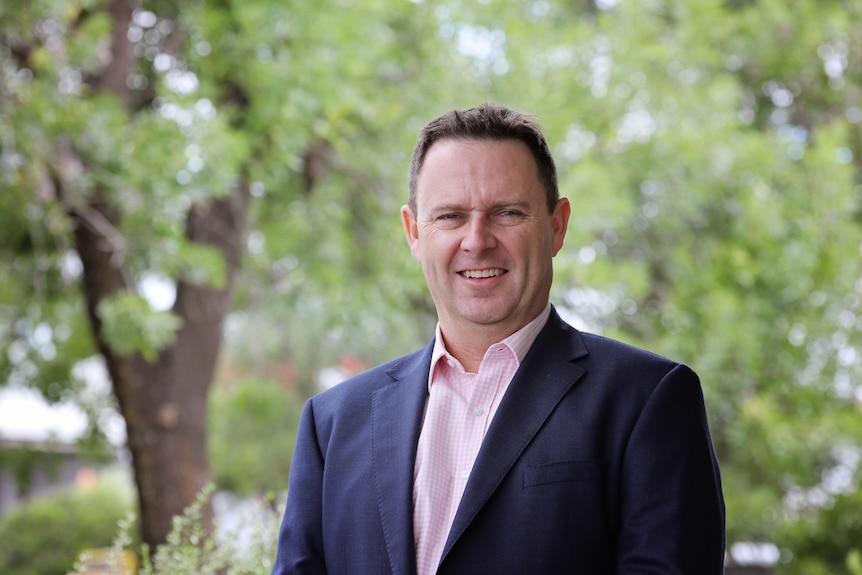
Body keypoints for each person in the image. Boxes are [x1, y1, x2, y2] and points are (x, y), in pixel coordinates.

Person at [271, 104, 725, 575]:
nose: (477, 240)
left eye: (507, 212)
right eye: (449, 216)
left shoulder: (647, 400)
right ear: (413, 232)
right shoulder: (333, 424)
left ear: (556, 225)